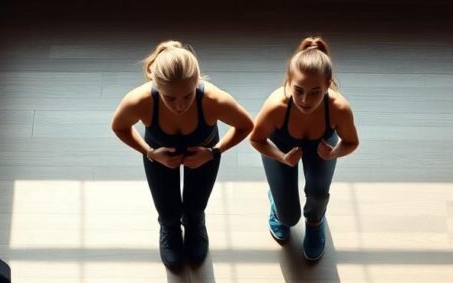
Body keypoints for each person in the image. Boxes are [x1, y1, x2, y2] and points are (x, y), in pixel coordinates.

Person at [111, 41, 254, 269]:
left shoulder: (213, 100)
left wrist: (213, 153)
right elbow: (119, 127)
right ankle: (170, 228)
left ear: (197, 82)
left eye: (188, 96)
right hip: (159, 155)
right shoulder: (140, 101)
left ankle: (195, 224)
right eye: (169, 98)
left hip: (204, 154)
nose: (179, 106)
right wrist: (150, 153)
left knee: (196, 207)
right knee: (167, 211)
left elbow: (246, 125)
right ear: (156, 85)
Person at [249, 36, 360, 261]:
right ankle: (277, 201)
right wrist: (281, 157)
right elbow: (256, 139)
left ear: (328, 85)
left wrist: (334, 153)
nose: (305, 100)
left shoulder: (339, 108)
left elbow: (352, 142)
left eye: (315, 92)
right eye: (298, 90)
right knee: (288, 217)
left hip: (322, 150)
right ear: (289, 82)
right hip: (282, 151)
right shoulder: (276, 106)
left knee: (318, 196)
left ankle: (315, 223)